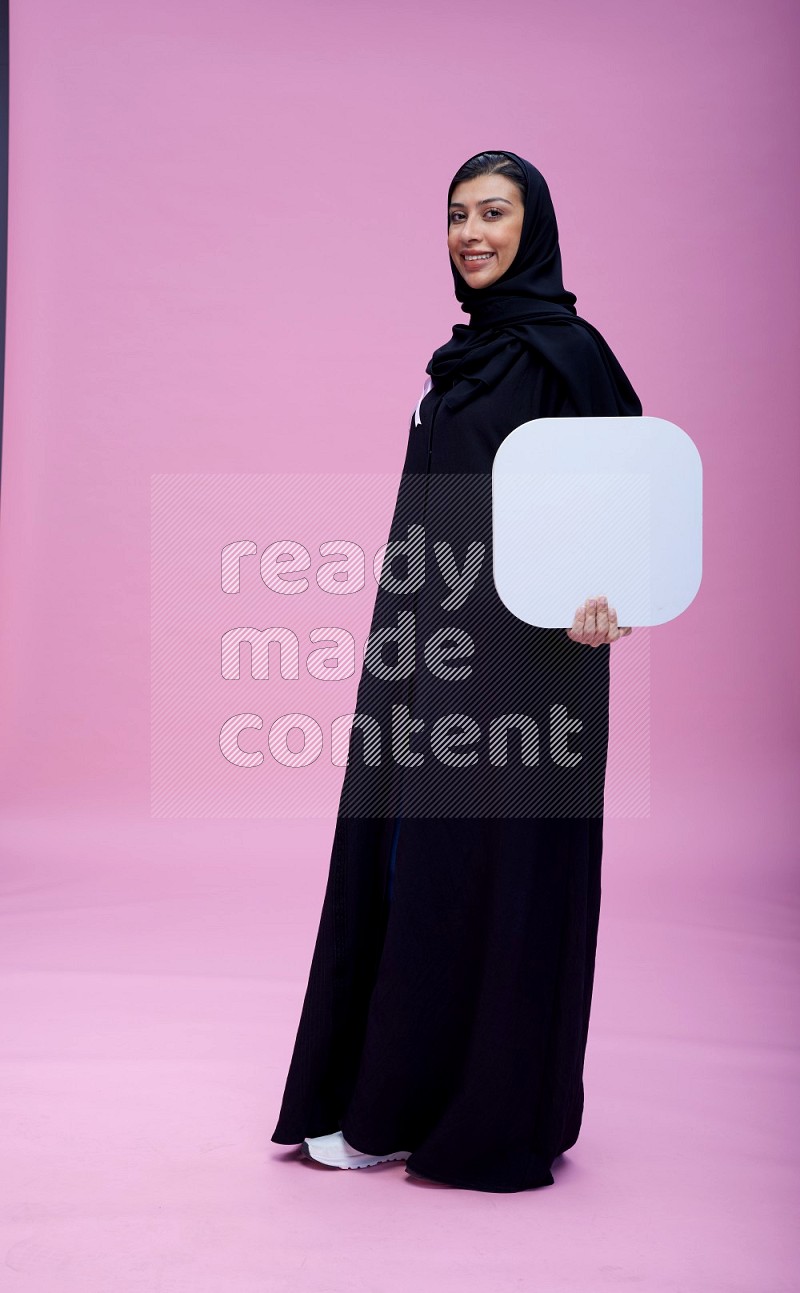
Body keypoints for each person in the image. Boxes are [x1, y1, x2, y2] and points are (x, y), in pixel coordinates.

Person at [270, 149, 642, 1193]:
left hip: (526, 674)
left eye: (492, 213)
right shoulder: (459, 361)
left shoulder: (567, 357)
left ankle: (433, 1113)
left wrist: (607, 596)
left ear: (535, 227)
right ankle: (381, 1096)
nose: (470, 234)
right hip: (427, 657)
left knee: (475, 882)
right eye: (454, 217)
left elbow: (631, 499)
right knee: (399, 864)